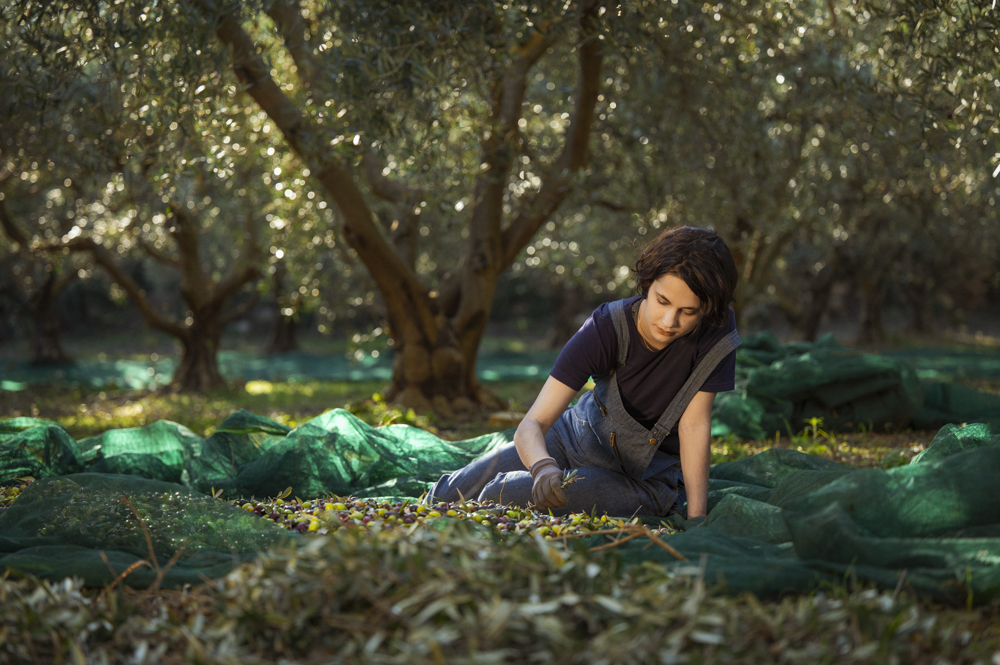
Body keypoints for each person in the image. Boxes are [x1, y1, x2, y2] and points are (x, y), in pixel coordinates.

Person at [429, 226, 741, 518]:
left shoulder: (715, 334)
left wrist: (696, 518)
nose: (669, 321)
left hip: (644, 479)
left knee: (501, 494)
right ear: (648, 282)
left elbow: (694, 425)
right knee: (449, 493)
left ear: (707, 310)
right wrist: (542, 467)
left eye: (688, 312)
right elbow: (533, 424)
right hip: (570, 440)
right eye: (662, 301)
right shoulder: (605, 328)